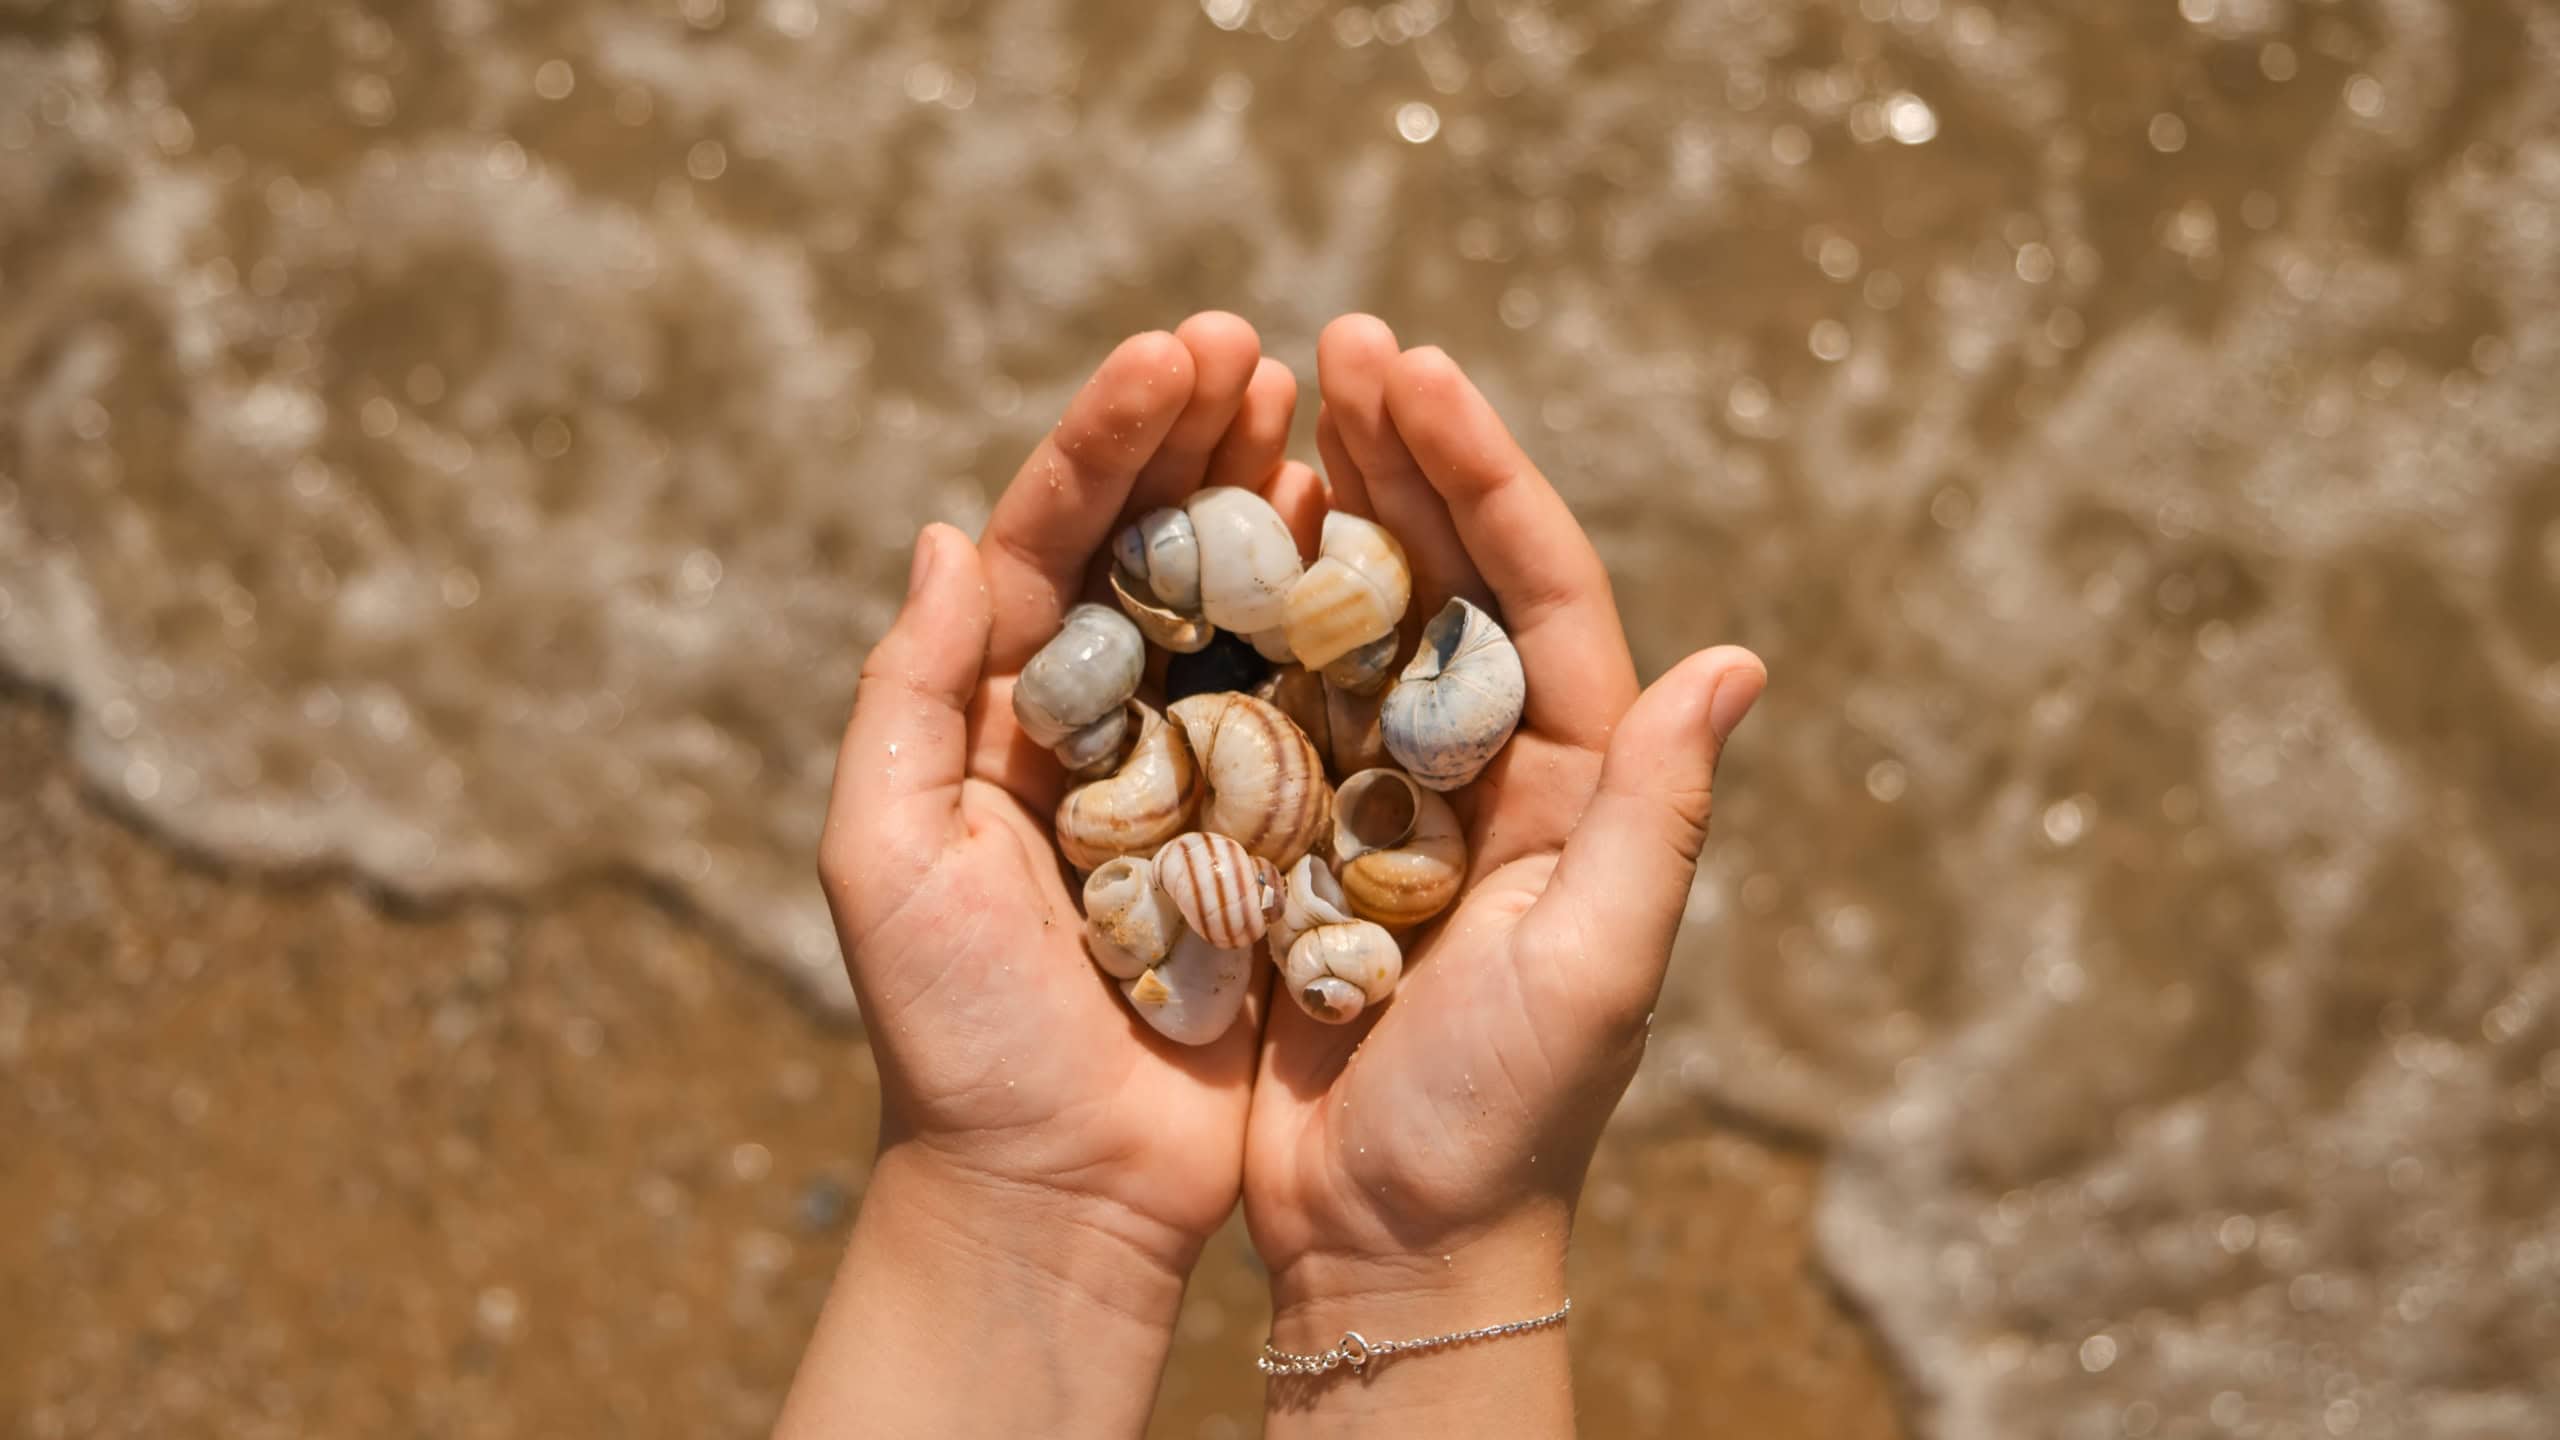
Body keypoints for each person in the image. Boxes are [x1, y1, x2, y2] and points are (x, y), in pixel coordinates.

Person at [777, 313, 1767, 1438]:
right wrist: (1425, 1258)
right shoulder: (1211, 817)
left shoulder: (1224, 817)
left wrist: (1016, 1202)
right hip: (1239, 817)